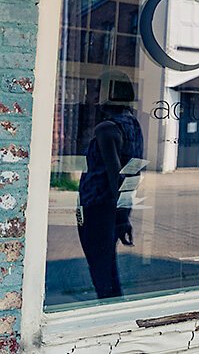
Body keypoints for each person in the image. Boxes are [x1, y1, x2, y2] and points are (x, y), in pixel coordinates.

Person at [77, 70, 144, 299]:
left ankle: (109, 315)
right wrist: (124, 215)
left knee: (101, 270)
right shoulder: (133, 124)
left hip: (95, 207)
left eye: (97, 89)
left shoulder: (106, 129)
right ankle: (113, 311)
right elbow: (132, 172)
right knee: (107, 268)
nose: (93, 94)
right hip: (108, 208)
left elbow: (117, 174)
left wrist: (120, 215)